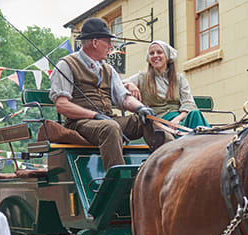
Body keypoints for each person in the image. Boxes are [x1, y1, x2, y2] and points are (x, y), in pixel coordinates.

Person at [49, 17, 173, 171]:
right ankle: (117, 181)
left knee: (145, 119)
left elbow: (124, 98)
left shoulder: (108, 69)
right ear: (95, 42)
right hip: (79, 124)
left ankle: (170, 168)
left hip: (107, 119)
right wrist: (94, 115)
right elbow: (61, 105)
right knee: (110, 127)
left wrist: (141, 108)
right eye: (107, 41)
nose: (110, 46)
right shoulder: (66, 65)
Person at [124, 40, 210, 130]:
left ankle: (207, 137)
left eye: (159, 52)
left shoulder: (179, 79)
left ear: (167, 56)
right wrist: (129, 84)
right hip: (157, 123)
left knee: (195, 114)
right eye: (152, 53)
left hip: (178, 120)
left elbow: (189, 104)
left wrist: (177, 120)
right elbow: (118, 85)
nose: (155, 56)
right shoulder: (141, 77)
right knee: (195, 130)